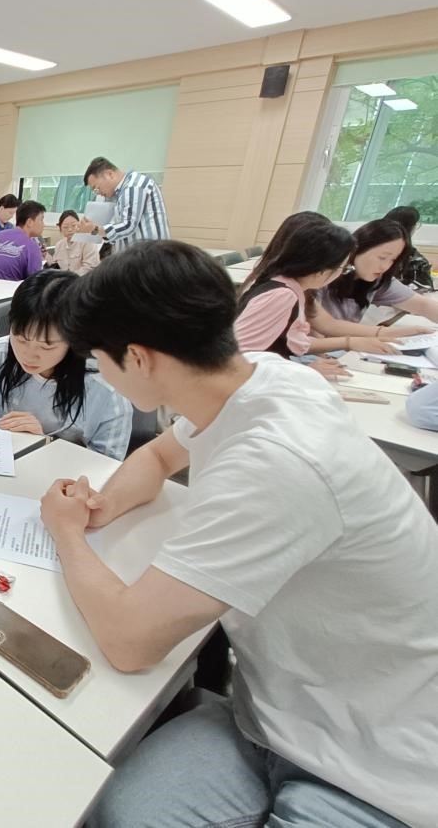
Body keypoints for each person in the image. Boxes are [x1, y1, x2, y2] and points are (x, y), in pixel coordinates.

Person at [39, 240, 437, 828]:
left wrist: (67, 533)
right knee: (116, 811)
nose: (104, 373)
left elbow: (129, 642)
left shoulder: (277, 462)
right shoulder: (262, 377)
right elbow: (158, 457)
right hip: (275, 709)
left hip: (376, 766)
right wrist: (103, 506)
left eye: (102, 359)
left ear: (139, 359)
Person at [0, 270, 131, 458]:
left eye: (47, 345)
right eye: (21, 338)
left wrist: (45, 443)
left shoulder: (105, 389)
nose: (29, 355)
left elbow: (107, 469)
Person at [234, 215, 408, 379]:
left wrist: (349, 342)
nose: (342, 274)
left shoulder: (294, 289)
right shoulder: (282, 295)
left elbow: (294, 343)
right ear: (321, 270)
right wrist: (303, 371)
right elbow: (236, 357)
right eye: (343, 268)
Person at [318, 218, 438, 324]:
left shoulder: (377, 280)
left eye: (393, 260)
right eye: (382, 257)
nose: (385, 266)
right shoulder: (321, 275)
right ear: (358, 247)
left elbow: (422, 305)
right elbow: (325, 327)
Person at [76, 156, 170, 251]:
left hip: (150, 254)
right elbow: (117, 230)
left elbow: (128, 226)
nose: (98, 193)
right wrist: (93, 229)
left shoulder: (134, 186)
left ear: (110, 174)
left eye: (97, 188)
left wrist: (95, 229)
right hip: (137, 254)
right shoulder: (120, 193)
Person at [0, 200, 46, 281]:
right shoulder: (32, 246)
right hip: (6, 289)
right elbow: (36, 282)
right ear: (29, 222)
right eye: (41, 220)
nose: (44, 224)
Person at [49, 210, 100, 274]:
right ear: (60, 229)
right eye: (65, 227)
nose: (70, 229)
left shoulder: (88, 242)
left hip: (83, 279)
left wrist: (70, 278)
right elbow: (56, 266)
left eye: (73, 225)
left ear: (79, 225)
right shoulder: (59, 245)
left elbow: (89, 268)